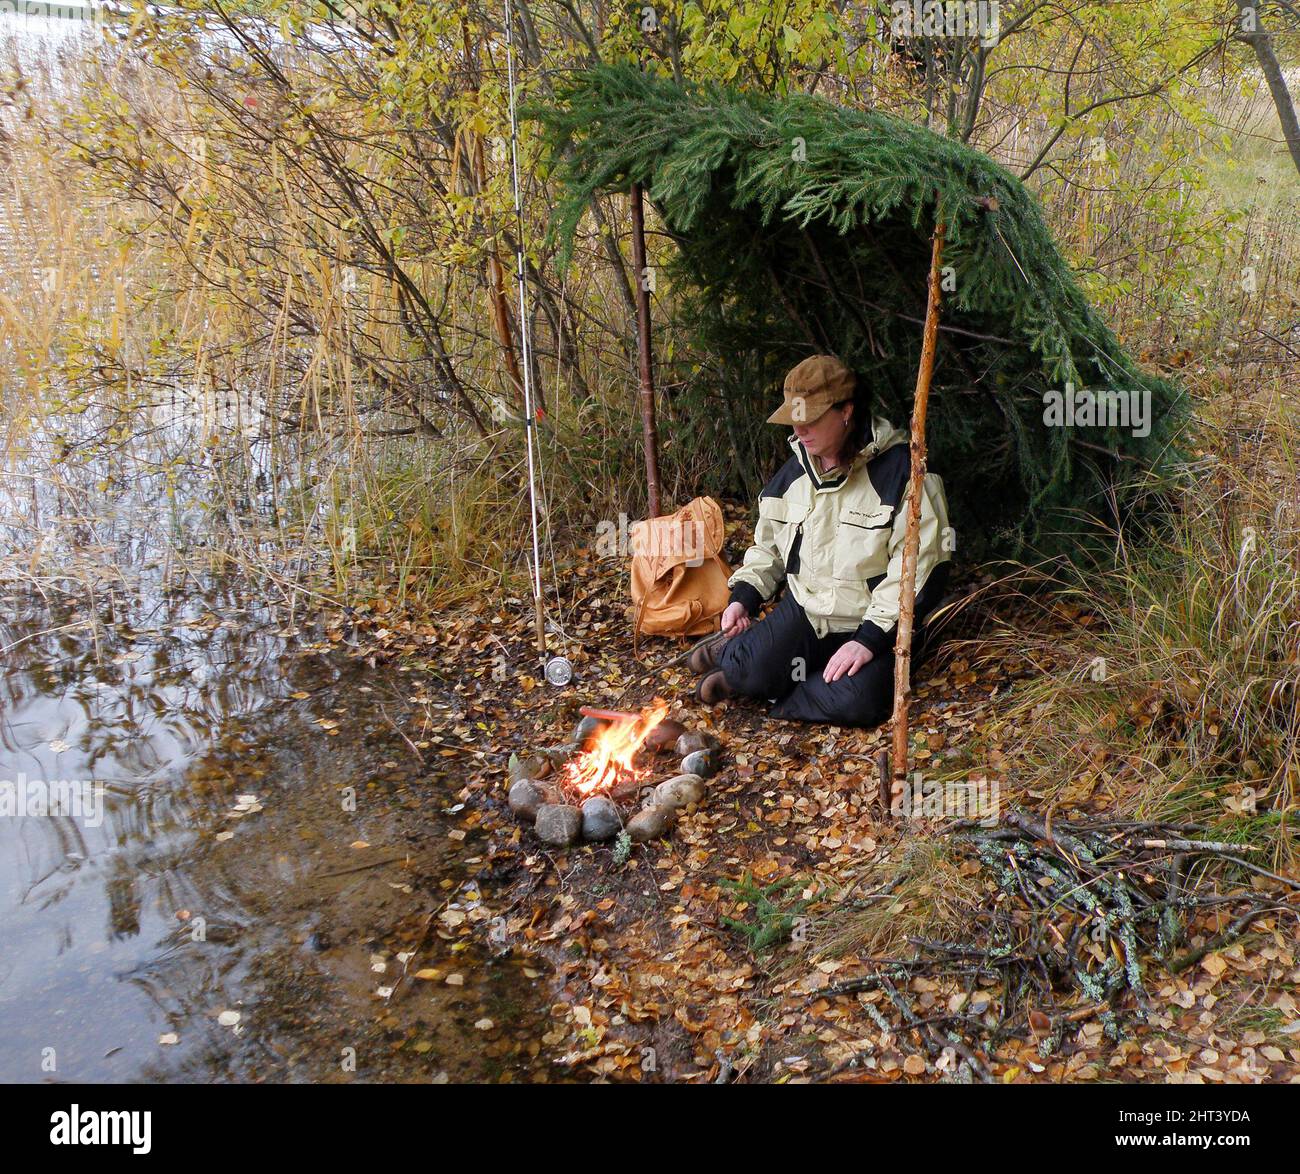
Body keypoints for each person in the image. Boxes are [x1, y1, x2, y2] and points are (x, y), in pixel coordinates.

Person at [691, 354, 952, 727]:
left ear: (846, 411)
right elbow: (768, 547)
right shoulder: (794, 471)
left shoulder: (904, 475)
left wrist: (869, 640)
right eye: (794, 422)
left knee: (860, 704)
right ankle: (742, 660)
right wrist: (744, 597)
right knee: (746, 667)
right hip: (807, 612)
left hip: (872, 623)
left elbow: (919, 571)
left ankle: (776, 690)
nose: (800, 432)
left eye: (810, 420)